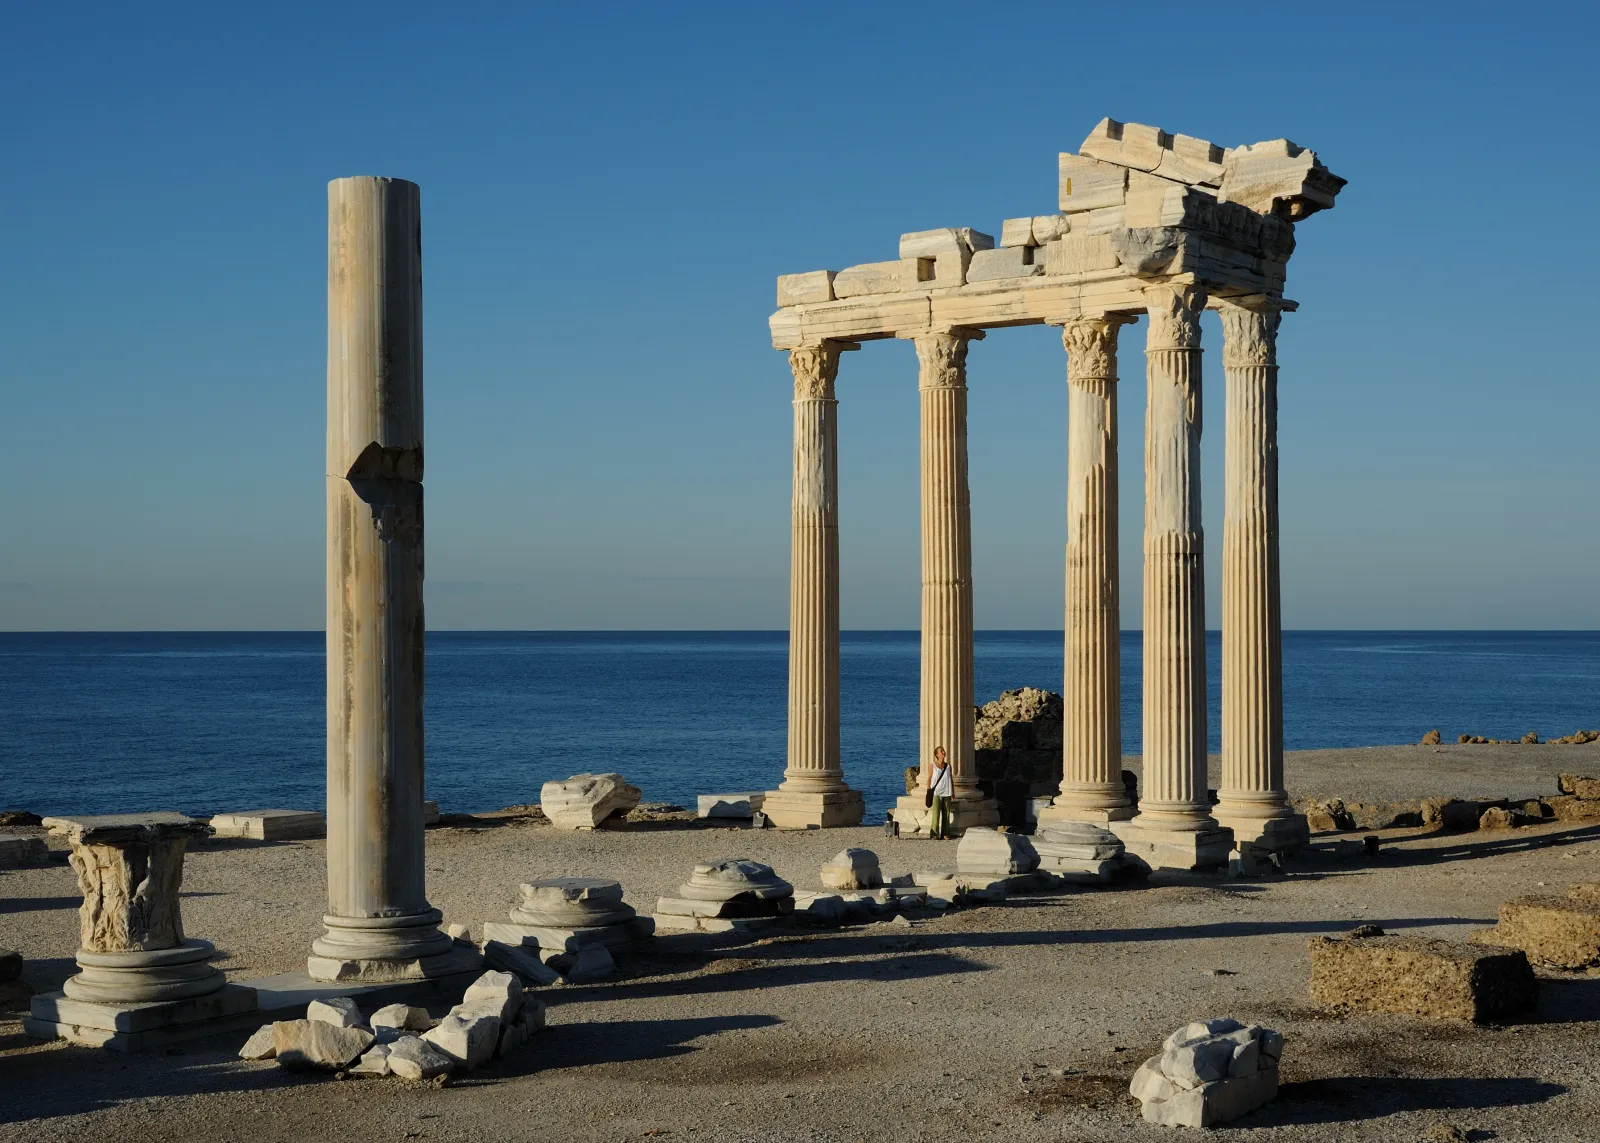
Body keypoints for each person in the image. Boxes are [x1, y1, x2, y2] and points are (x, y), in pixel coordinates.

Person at [927, 745, 954, 840]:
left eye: (943, 751)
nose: (943, 752)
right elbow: (929, 778)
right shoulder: (933, 765)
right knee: (936, 813)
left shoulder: (948, 766)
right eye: (941, 751)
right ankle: (934, 833)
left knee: (946, 814)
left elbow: (950, 779)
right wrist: (928, 790)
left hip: (947, 791)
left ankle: (946, 833)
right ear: (937, 755)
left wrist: (953, 792)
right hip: (936, 792)